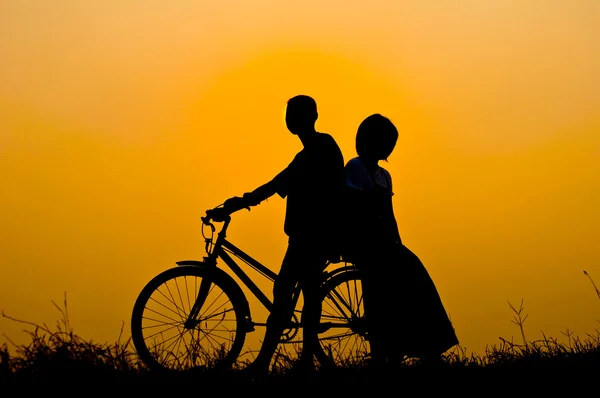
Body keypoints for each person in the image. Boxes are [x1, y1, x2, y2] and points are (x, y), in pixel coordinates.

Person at [231, 94, 345, 376]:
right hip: (310, 235)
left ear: (312, 117)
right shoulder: (314, 150)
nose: (291, 120)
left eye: (295, 114)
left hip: (311, 236)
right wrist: (243, 200)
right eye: (290, 115)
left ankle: (267, 363)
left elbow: (277, 184)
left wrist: (241, 201)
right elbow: (279, 183)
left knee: (284, 293)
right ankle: (298, 360)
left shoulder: (318, 149)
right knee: (303, 294)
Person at [342, 113, 459, 369]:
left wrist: (397, 243)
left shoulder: (384, 175)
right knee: (385, 293)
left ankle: (425, 347)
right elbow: (353, 207)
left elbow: (390, 215)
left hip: (384, 242)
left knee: (415, 278)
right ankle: (387, 354)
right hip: (363, 241)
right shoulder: (355, 167)